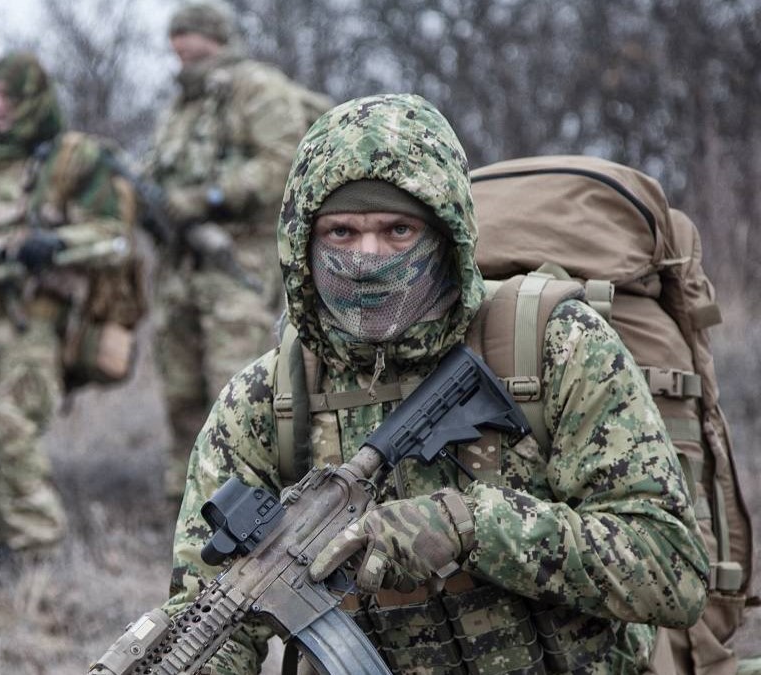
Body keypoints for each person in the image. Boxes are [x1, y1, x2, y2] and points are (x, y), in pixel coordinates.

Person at [164, 94, 709, 672]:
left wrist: (471, 526)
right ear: (303, 247)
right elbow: (212, 617)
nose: (367, 259)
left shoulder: (556, 347)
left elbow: (672, 569)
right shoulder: (262, 401)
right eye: (341, 233)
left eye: (398, 230)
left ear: (447, 236)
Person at [0, 52, 137, 560]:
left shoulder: (68, 160)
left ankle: (38, 556)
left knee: (13, 430)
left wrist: (53, 243)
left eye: (8, 96)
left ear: (33, 99)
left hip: (34, 319)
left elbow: (113, 236)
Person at [146, 1, 329, 504]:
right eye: (176, 39)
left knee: (238, 397)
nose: (181, 48)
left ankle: (249, 511)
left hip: (237, 266)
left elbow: (282, 162)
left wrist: (208, 197)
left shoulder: (256, 87)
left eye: (193, 38)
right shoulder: (183, 103)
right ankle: (182, 510)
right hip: (180, 269)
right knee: (180, 397)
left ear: (218, 40)